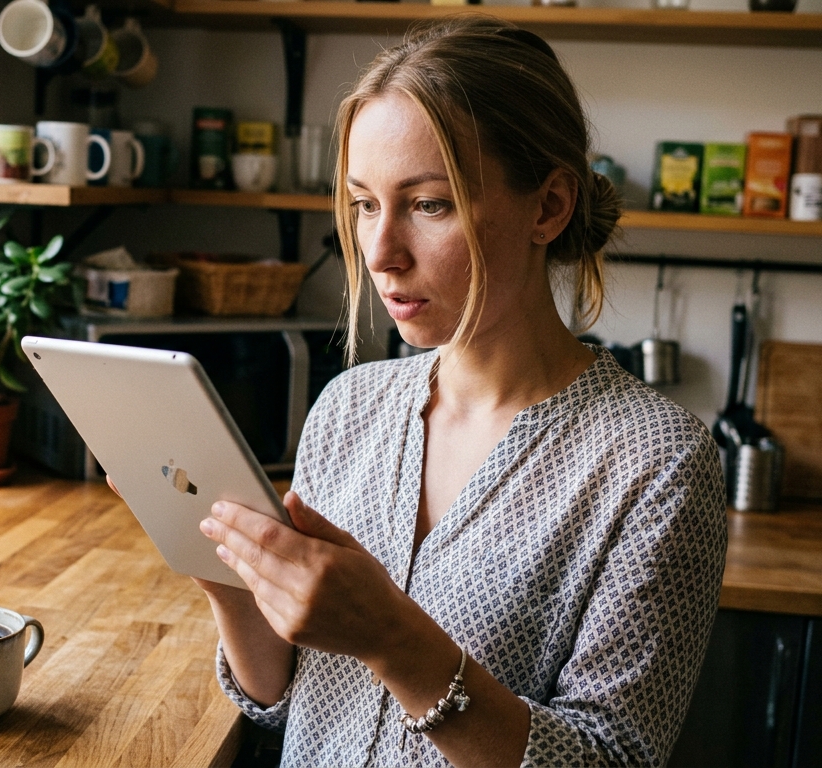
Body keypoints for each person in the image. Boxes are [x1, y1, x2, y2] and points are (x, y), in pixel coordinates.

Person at [190, 16, 725, 768]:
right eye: (366, 203)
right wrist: (225, 577)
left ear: (547, 207)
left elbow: (611, 760)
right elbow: (284, 700)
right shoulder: (349, 408)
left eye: (428, 203)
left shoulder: (655, 464)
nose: (381, 254)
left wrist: (395, 640)